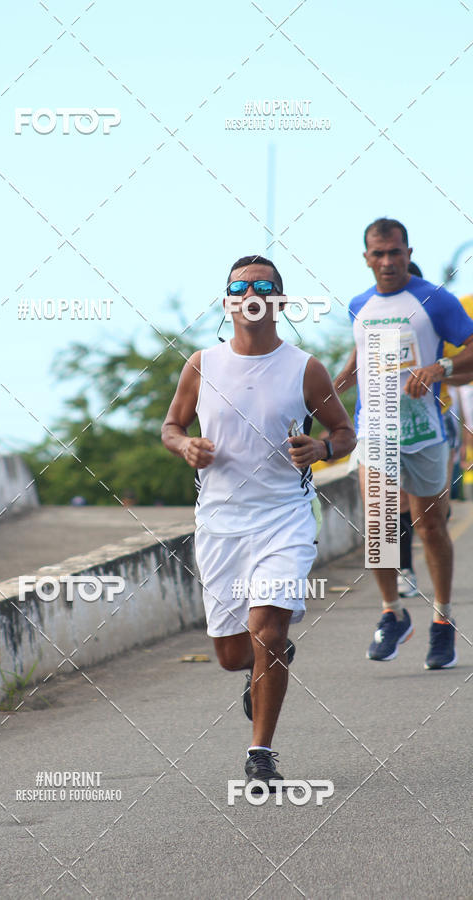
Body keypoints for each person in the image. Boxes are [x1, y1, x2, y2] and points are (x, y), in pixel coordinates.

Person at [162, 254, 355, 791]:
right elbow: (171, 425)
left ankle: (261, 751)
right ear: (227, 301)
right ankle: (262, 665)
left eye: (263, 285)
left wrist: (321, 446)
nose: (251, 293)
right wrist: (186, 446)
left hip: (284, 519)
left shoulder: (305, 368)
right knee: (231, 655)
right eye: (240, 286)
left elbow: (344, 433)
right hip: (220, 523)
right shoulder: (202, 364)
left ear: (279, 300)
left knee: (268, 630)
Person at [334, 218, 473, 668]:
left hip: (425, 434)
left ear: (408, 252)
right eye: (379, 254)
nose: (388, 261)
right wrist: (336, 382)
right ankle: (392, 613)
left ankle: (443, 621)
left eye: (395, 252)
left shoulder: (434, 299)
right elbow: (363, 353)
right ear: (366, 258)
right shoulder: (359, 304)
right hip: (374, 430)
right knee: (377, 524)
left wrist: (440, 370)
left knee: (430, 527)